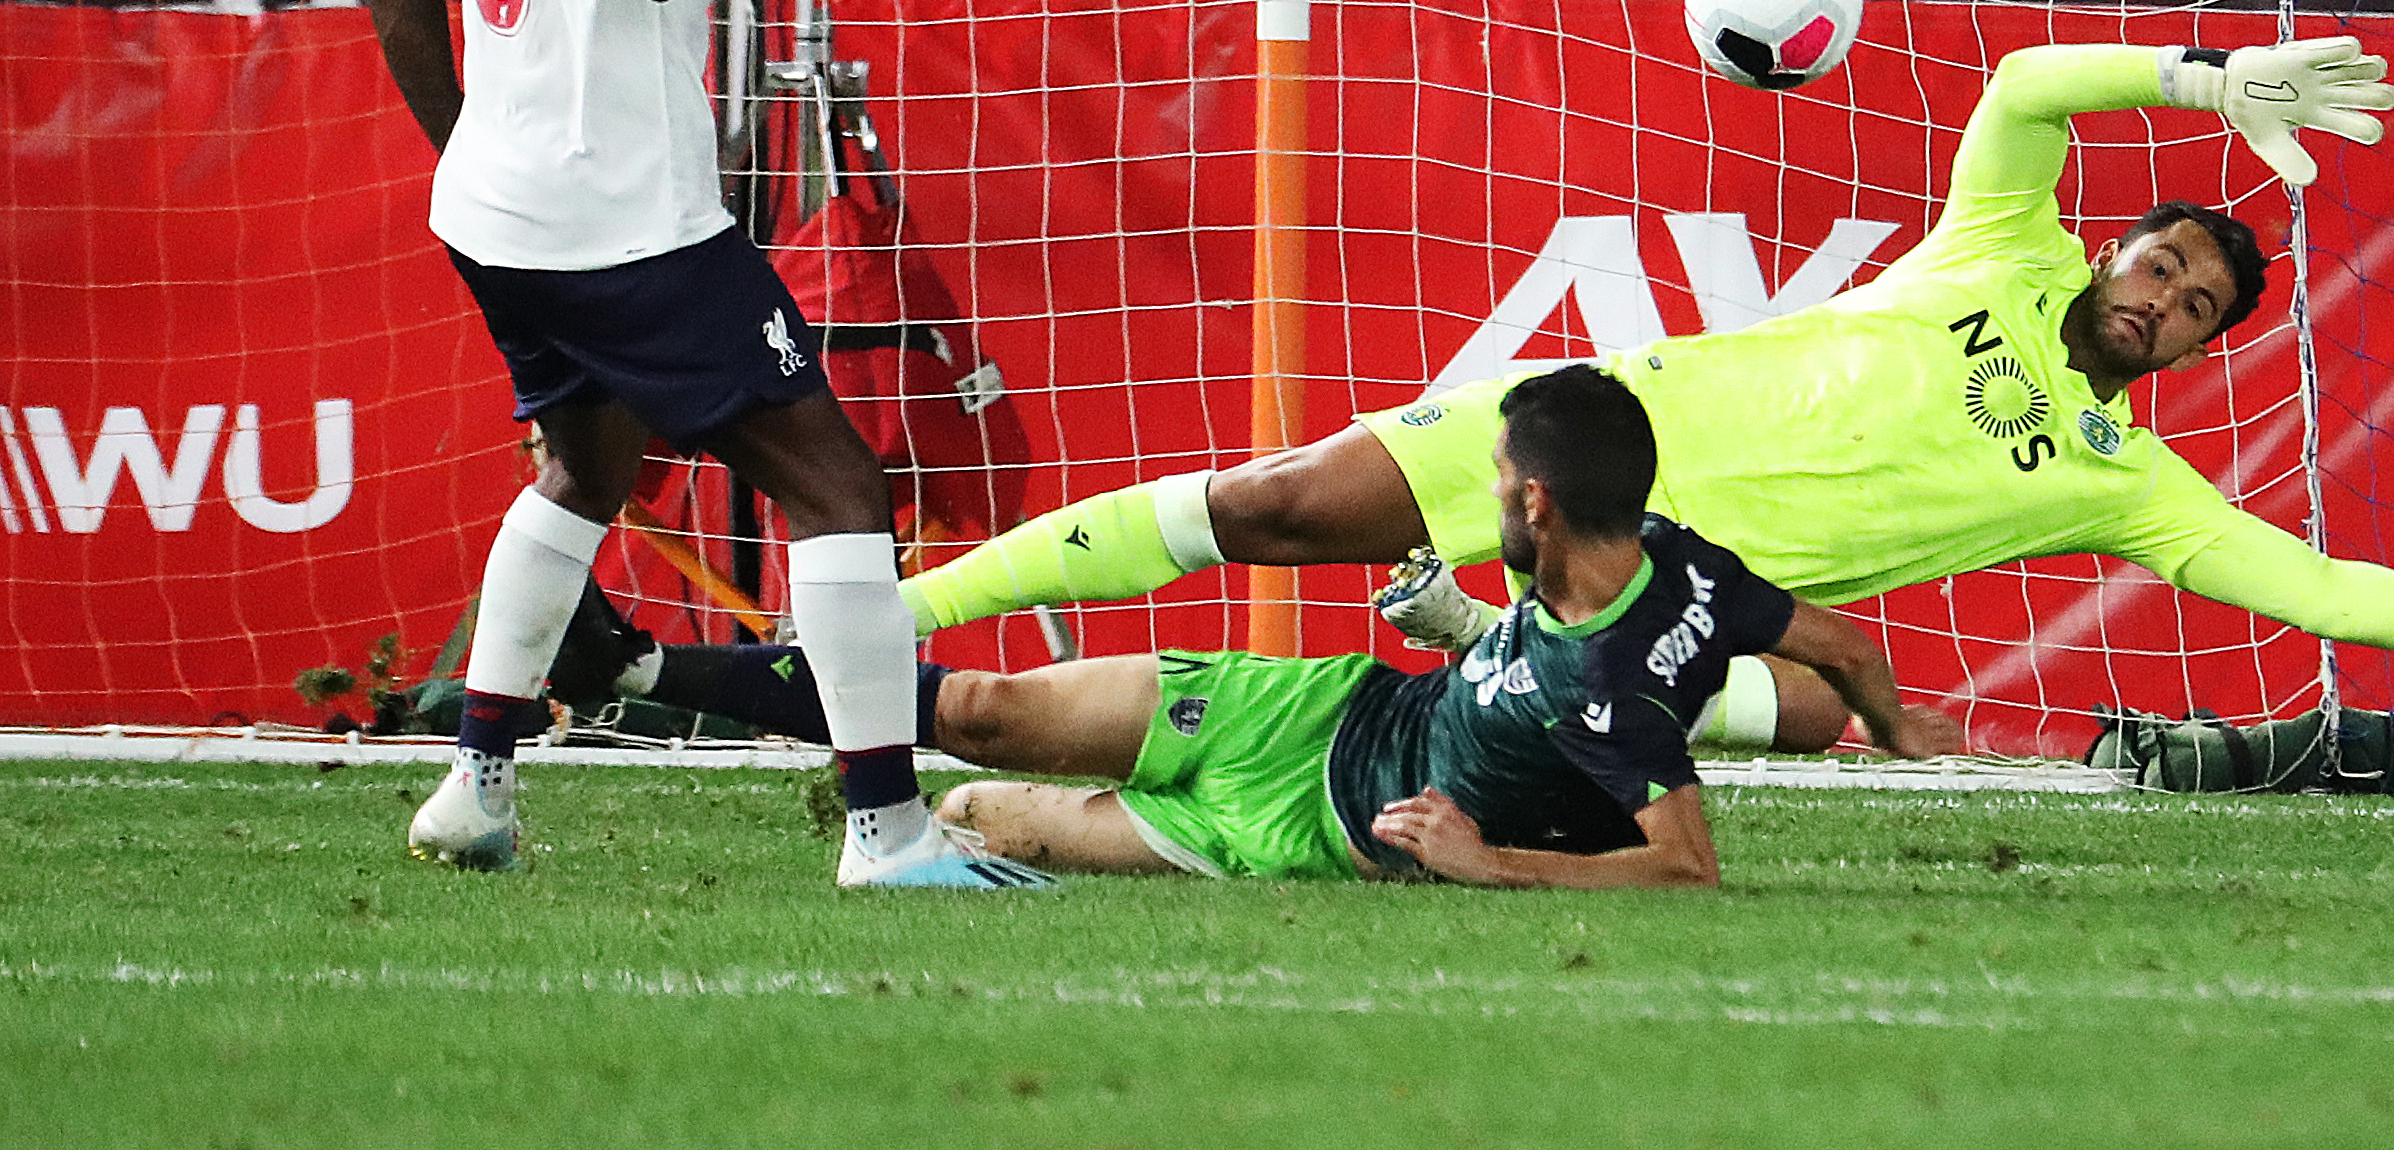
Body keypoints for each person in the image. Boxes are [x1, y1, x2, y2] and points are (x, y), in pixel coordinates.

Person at [883, 38, 2394, 706]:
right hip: (1585, 443)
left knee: (1752, 709)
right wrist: (2188, 77)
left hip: (1648, 606)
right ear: (2106, 246)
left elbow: (2299, 584)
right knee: (1270, 506)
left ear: (2196, 353)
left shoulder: (2119, 478)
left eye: (2190, 299)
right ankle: (905, 615)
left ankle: (1491, 680)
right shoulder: (2002, 246)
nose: (2156, 287)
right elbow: (2010, 94)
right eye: (2156, 252)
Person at [361, 0, 1040, 890]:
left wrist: (483, 145)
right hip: (631, 232)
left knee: (585, 469)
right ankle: (889, 832)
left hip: (500, 220)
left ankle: (475, 787)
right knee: (840, 485)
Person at [559, 366, 1929, 886]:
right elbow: (1848, 649)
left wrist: (1491, 863)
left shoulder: (1616, 695)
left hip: (1297, 836)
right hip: (1315, 706)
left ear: (1542, 503)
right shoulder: (1671, 565)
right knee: (981, 707)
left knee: (980, 811)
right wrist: (1907, 734)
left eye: (1503, 479)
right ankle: (633, 666)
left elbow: (1684, 870)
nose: (1487, 489)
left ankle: (661, 679)